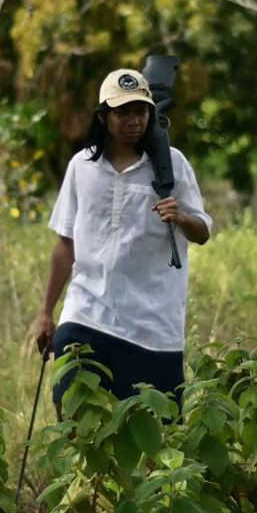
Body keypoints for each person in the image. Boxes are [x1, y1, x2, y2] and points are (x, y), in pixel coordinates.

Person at [34, 68, 212, 413]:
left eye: (141, 111)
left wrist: (182, 217)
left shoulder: (171, 164)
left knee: (158, 442)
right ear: (104, 117)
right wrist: (45, 312)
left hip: (153, 326)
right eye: (122, 112)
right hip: (86, 315)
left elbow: (203, 231)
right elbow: (65, 246)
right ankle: (80, 471)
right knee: (73, 418)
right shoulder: (81, 166)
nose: (134, 120)